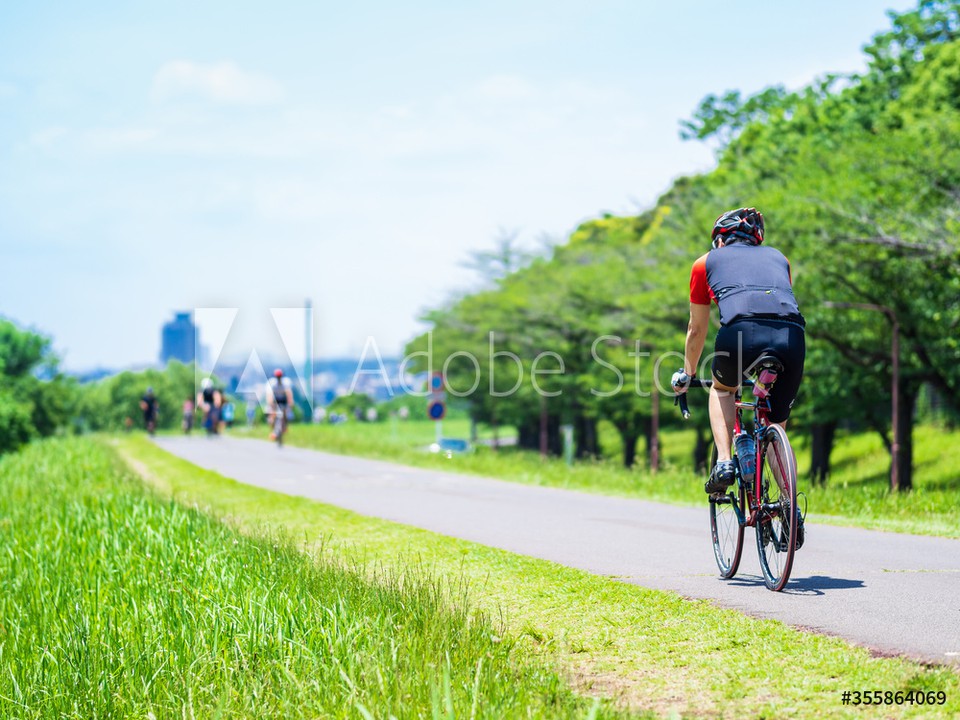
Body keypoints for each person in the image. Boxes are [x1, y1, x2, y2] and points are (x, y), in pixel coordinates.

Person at [672, 207, 806, 495]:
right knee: (775, 424)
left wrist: (689, 372)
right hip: (792, 336)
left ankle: (723, 462)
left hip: (740, 333)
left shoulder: (704, 263)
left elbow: (696, 330)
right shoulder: (779, 259)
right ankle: (789, 506)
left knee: (722, 389)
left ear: (720, 240)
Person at [266, 368, 294, 441]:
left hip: (283, 400)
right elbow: (270, 395)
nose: (279, 378)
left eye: (280, 377)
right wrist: (271, 403)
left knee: (285, 413)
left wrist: (290, 402)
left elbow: (288, 393)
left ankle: (284, 427)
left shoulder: (285, 384)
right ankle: (273, 430)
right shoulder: (273, 385)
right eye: (277, 377)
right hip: (276, 400)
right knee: (272, 415)